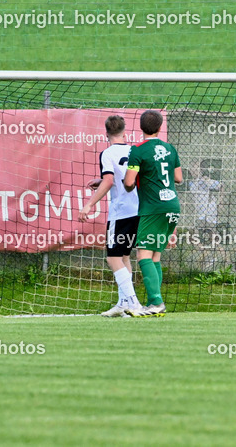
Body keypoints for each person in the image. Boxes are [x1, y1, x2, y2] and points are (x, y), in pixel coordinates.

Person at [81, 115, 143, 317]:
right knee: (124, 257)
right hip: (138, 210)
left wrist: (89, 204)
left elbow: (109, 181)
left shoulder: (107, 153)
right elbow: (126, 177)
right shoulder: (134, 150)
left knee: (113, 258)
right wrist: (102, 181)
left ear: (106, 133)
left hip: (121, 212)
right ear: (125, 131)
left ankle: (134, 303)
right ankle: (123, 303)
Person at [123, 110, 183, 317]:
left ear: (141, 127)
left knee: (143, 254)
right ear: (159, 127)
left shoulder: (138, 150)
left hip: (153, 208)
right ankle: (153, 303)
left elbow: (129, 182)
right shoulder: (170, 148)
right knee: (155, 256)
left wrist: (131, 183)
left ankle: (156, 302)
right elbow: (178, 178)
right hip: (172, 206)